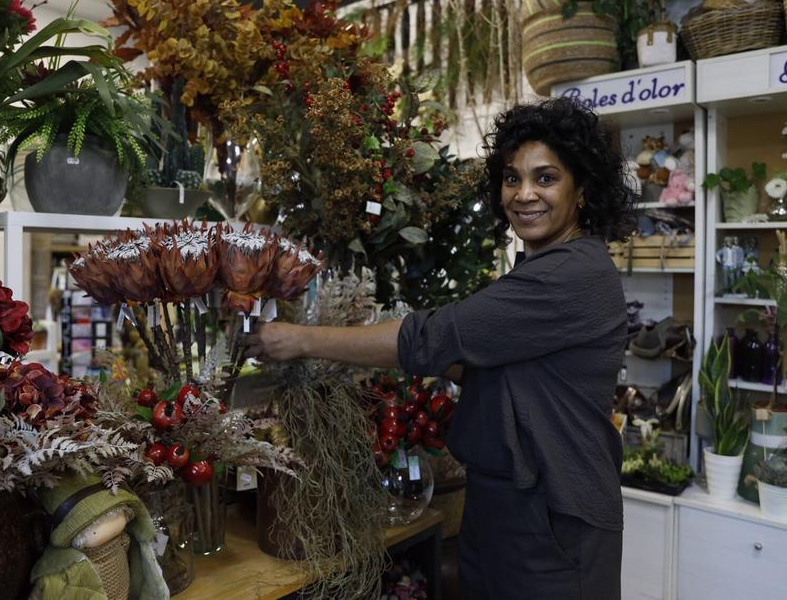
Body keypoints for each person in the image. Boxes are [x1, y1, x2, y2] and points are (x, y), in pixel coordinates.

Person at [245, 97, 636, 600]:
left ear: (582, 190)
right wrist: (366, 342)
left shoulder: (572, 273)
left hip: (555, 517)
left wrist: (298, 340)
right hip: (505, 508)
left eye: (545, 178)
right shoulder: (541, 268)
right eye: (512, 178)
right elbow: (484, 364)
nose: (524, 194)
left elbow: (432, 336)